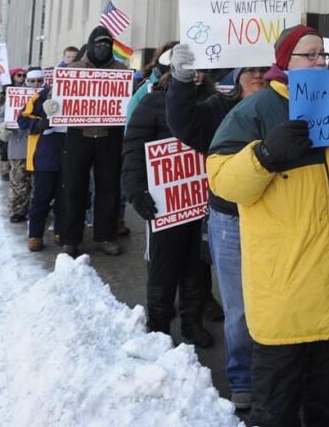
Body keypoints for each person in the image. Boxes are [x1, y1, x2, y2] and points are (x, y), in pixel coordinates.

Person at [208, 25, 329, 427]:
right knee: (276, 406)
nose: (319, 62)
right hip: (287, 292)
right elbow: (223, 181)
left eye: (322, 55)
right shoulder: (255, 110)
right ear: (284, 63)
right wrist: (264, 155)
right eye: (309, 55)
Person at [167, 52, 269, 412]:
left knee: (277, 300)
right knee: (239, 307)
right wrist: (180, 80)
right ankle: (242, 378)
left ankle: (279, 374)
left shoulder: (285, 104)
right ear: (237, 72)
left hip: (278, 218)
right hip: (230, 220)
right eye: (250, 69)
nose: (257, 74)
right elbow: (182, 122)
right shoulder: (215, 108)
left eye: (264, 68)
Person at [122, 43, 214, 347]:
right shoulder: (154, 102)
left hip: (200, 204)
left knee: (198, 266)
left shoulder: (213, 102)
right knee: (163, 268)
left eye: (201, 68)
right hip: (163, 206)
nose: (196, 74)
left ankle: (192, 322)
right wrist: (136, 190)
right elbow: (134, 148)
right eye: (189, 67)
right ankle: (159, 327)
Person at [48, 26, 129, 257]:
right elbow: (58, 99)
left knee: (109, 188)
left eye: (107, 45)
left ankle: (106, 236)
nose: (103, 48)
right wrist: (52, 107)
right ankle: (70, 238)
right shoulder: (72, 70)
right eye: (99, 44)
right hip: (78, 137)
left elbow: (127, 104)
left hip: (109, 137)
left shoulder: (121, 71)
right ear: (91, 44)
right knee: (73, 187)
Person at [18, 69, 63, 252]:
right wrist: (41, 123)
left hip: (70, 155)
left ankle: (62, 231)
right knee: (41, 198)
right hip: (44, 155)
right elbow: (22, 119)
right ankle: (35, 235)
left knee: (65, 198)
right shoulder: (40, 96)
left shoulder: (80, 94)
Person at [6, 70, 34, 224]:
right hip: (19, 146)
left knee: (35, 183)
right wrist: (3, 126)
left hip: (38, 148)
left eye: (25, 76)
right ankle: (17, 211)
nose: (22, 78)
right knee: (19, 183)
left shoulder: (42, 97)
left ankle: (32, 210)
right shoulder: (13, 96)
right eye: (21, 76)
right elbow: (1, 115)